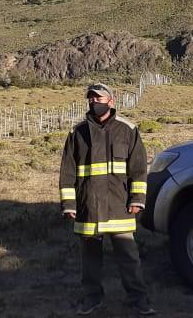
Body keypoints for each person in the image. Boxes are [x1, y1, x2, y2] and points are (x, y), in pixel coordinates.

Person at [59, 83, 155, 316]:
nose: (94, 102)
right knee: (90, 259)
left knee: (128, 256)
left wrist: (137, 199)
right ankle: (92, 297)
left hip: (119, 204)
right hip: (87, 205)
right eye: (90, 98)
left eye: (98, 98)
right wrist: (69, 203)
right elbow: (67, 172)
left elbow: (138, 169)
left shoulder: (128, 130)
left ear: (111, 101)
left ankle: (138, 299)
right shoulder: (77, 133)